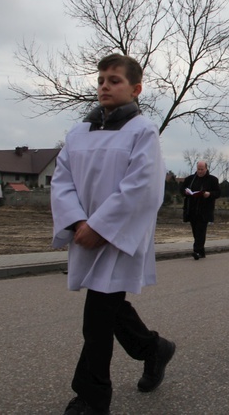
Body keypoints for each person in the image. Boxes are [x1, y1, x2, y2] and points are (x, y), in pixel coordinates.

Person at [51, 53, 175, 415]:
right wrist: (77, 223)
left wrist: (101, 228)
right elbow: (62, 180)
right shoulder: (78, 132)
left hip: (119, 238)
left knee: (97, 317)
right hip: (85, 234)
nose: (105, 85)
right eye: (102, 79)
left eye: (114, 80)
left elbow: (142, 188)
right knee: (109, 309)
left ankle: (92, 397)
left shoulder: (143, 131)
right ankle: (154, 349)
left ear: (136, 89)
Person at [180, 161, 221, 260]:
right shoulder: (190, 179)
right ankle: (201, 251)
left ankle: (197, 251)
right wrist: (186, 192)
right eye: (198, 169)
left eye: (202, 169)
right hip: (192, 209)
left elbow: (218, 193)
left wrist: (209, 194)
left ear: (206, 169)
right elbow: (181, 189)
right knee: (195, 231)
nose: (200, 171)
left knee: (200, 231)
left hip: (204, 211)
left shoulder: (212, 180)